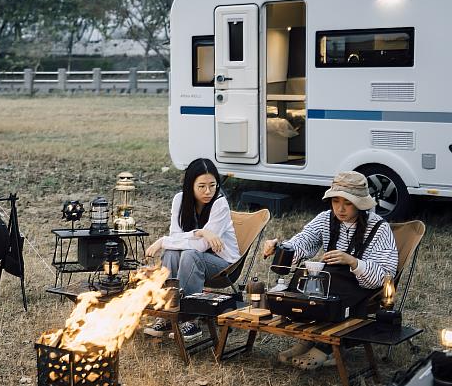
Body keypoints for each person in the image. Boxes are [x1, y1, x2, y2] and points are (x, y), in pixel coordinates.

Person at [262, 170, 398, 370]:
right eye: (336, 201)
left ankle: (326, 346)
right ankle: (309, 339)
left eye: (347, 203)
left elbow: (385, 275)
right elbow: (303, 240)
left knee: (332, 283)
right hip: (331, 282)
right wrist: (282, 247)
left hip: (363, 286)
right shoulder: (326, 219)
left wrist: (353, 262)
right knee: (304, 278)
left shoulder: (378, 227)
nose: (340, 209)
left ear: (360, 204)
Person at [143, 158, 239, 341]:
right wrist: (200, 232)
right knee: (172, 252)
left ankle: (191, 320)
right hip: (194, 258)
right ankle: (167, 314)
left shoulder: (220, 204)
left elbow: (202, 246)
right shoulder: (179, 200)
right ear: (190, 185)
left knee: (190, 254)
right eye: (201, 186)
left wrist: (165, 241)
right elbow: (173, 238)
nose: (208, 191)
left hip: (224, 264)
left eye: (212, 185)